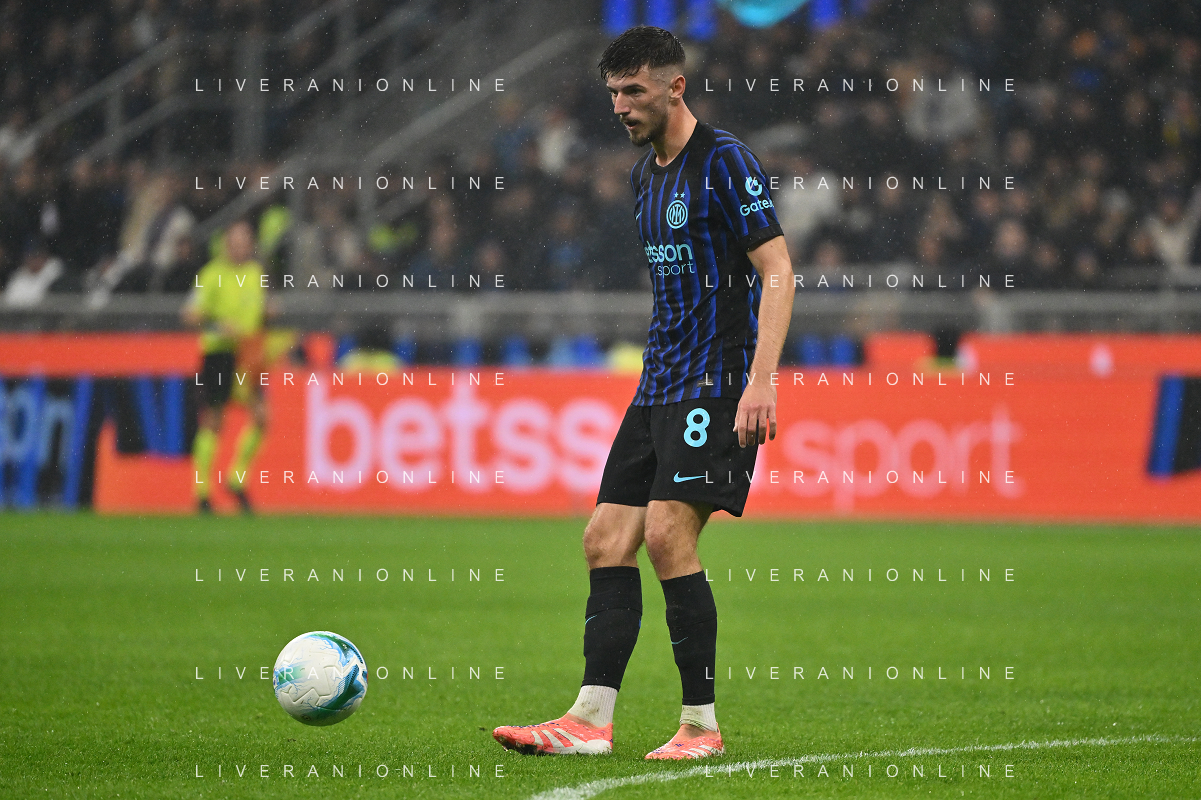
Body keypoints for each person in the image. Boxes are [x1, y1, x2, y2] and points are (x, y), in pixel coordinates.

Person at [492, 26, 794, 760]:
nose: (620, 106)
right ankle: (589, 721)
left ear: (674, 87)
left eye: (633, 91)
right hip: (659, 381)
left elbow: (778, 270)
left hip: (716, 382)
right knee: (604, 539)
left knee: (666, 534)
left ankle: (700, 726)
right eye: (613, 93)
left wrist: (760, 381)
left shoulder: (724, 161)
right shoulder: (643, 178)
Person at [182, 221, 268, 514]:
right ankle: (202, 492)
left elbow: (256, 311)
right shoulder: (211, 274)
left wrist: (268, 313)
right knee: (213, 419)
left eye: (245, 241)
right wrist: (220, 325)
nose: (241, 247)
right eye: (236, 241)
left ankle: (236, 478)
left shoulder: (256, 273)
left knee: (261, 417)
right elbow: (190, 314)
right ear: (226, 244)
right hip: (219, 352)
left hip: (248, 354)